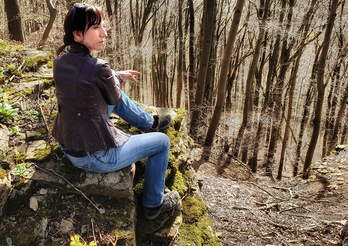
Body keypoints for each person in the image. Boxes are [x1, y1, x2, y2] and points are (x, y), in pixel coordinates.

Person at [53, 3, 179, 220]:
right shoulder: (99, 68)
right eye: (96, 28)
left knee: (113, 92)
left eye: (102, 26)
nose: (104, 33)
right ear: (77, 34)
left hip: (69, 146)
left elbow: (88, 79)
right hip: (95, 157)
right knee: (162, 143)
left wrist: (117, 74)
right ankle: (153, 204)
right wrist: (115, 78)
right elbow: (113, 96)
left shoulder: (59, 62)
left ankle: (148, 122)